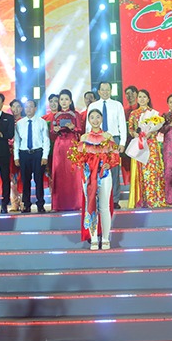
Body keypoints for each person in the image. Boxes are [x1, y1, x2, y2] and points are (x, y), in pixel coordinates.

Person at [70, 109, 121, 250]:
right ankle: (93, 239)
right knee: (90, 205)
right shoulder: (84, 138)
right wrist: (84, 166)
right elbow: (79, 158)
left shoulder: (108, 136)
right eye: (92, 117)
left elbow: (115, 156)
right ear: (89, 120)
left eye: (98, 117)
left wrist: (109, 164)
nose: (95, 120)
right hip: (88, 175)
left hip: (104, 174)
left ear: (102, 119)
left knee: (104, 207)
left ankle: (105, 238)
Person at [86, 82, 127, 209]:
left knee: (114, 170)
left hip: (113, 139)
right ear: (98, 91)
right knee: (97, 169)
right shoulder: (93, 106)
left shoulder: (117, 105)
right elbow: (88, 125)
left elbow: (122, 124)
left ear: (111, 91)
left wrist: (122, 142)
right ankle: (98, 198)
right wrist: (88, 142)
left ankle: (114, 200)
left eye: (107, 89)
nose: (105, 92)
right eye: (102, 90)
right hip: (96, 139)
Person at [127, 89, 166, 208]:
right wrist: (136, 134)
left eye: (144, 97)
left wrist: (150, 133)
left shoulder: (154, 114)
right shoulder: (133, 114)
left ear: (148, 99)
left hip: (151, 145)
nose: (142, 99)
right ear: (137, 99)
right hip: (139, 145)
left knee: (153, 171)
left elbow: (157, 129)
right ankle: (142, 199)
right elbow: (131, 129)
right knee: (141, 172)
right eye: (140, 97)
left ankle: (155, 199)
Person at [13, 100, 50, 213]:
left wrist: (45, 156)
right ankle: (26, 204)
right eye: (26, 107)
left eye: (31, 107)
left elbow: (46, 140)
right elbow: (17, 141)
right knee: (25, 181)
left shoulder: (42, 122)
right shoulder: (19, 123)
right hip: (24, 154)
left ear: (35, 108)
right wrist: (16, 156)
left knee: (39, 180)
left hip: (38, 153)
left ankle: (40, 204)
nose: (28, 109)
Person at [49, 89, 83, 211]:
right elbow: (51, 134)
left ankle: (76, 203)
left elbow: (81, 131)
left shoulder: (75, 114)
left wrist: (73, 127)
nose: (64, 102)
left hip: (72, 145)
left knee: (73, 173)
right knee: (59, 173)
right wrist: (55, 130)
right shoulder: (55, 115)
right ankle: (59, 204)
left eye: (66, 99)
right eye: (62, 99)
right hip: (59, 146)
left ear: (71, 101)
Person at [7, 98, 23, 212]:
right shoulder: (8, 121)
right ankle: (14, 203)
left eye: (18, 107)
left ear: (21, 109)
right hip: (10, 153)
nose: (15, 109)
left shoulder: (25, 121)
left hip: (22, 152)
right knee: (12, 178)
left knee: (22, 178)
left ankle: (23, 202)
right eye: (13, 107)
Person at [121, 85, 139, 187]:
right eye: (127, 93)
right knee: (127, 167)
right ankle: (129, 187)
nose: (130, 95)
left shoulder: (141, 109)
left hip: (140, 143)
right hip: (127, 142)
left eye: (132, 93)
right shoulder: (123, 110)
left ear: (137, 94)